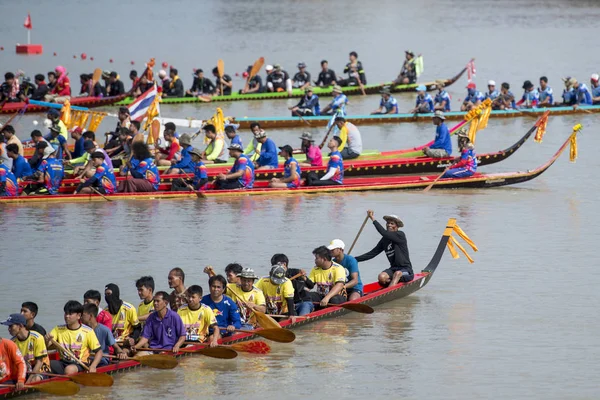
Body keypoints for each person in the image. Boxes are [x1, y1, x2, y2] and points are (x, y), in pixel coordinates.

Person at [356, 211, 414, 287]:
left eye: (392, 223)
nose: (389, 225)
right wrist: (354, 259)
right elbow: (372, 254)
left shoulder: (400, 235)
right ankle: (393, 283)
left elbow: (383, 232)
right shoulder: (384, 240)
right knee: (381, 277)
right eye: (388, 223)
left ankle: (391, 290)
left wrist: (372, 218)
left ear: (397, 226)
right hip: (393, 268)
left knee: (397, 273)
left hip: (406, 269)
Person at [46, 300, 103, 375]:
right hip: (63, 362)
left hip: (80, 363)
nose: (67, 316)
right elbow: (46, 346)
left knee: (69, 370)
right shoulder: (58, 329)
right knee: (46, 364)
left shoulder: (88, 331)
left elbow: (99, 352)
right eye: (66, 313)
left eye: (70, 314)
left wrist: (93, 366)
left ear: (79, 316)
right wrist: (46, 340)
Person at [2, 314, 49, 384]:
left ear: (20, 326)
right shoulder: (12, 342)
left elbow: (39, 363)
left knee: (35, 379)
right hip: (24, 371)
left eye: (11, 326)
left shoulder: (37, 338)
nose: (9, 329)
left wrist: (27, 382)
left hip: (40, 370)